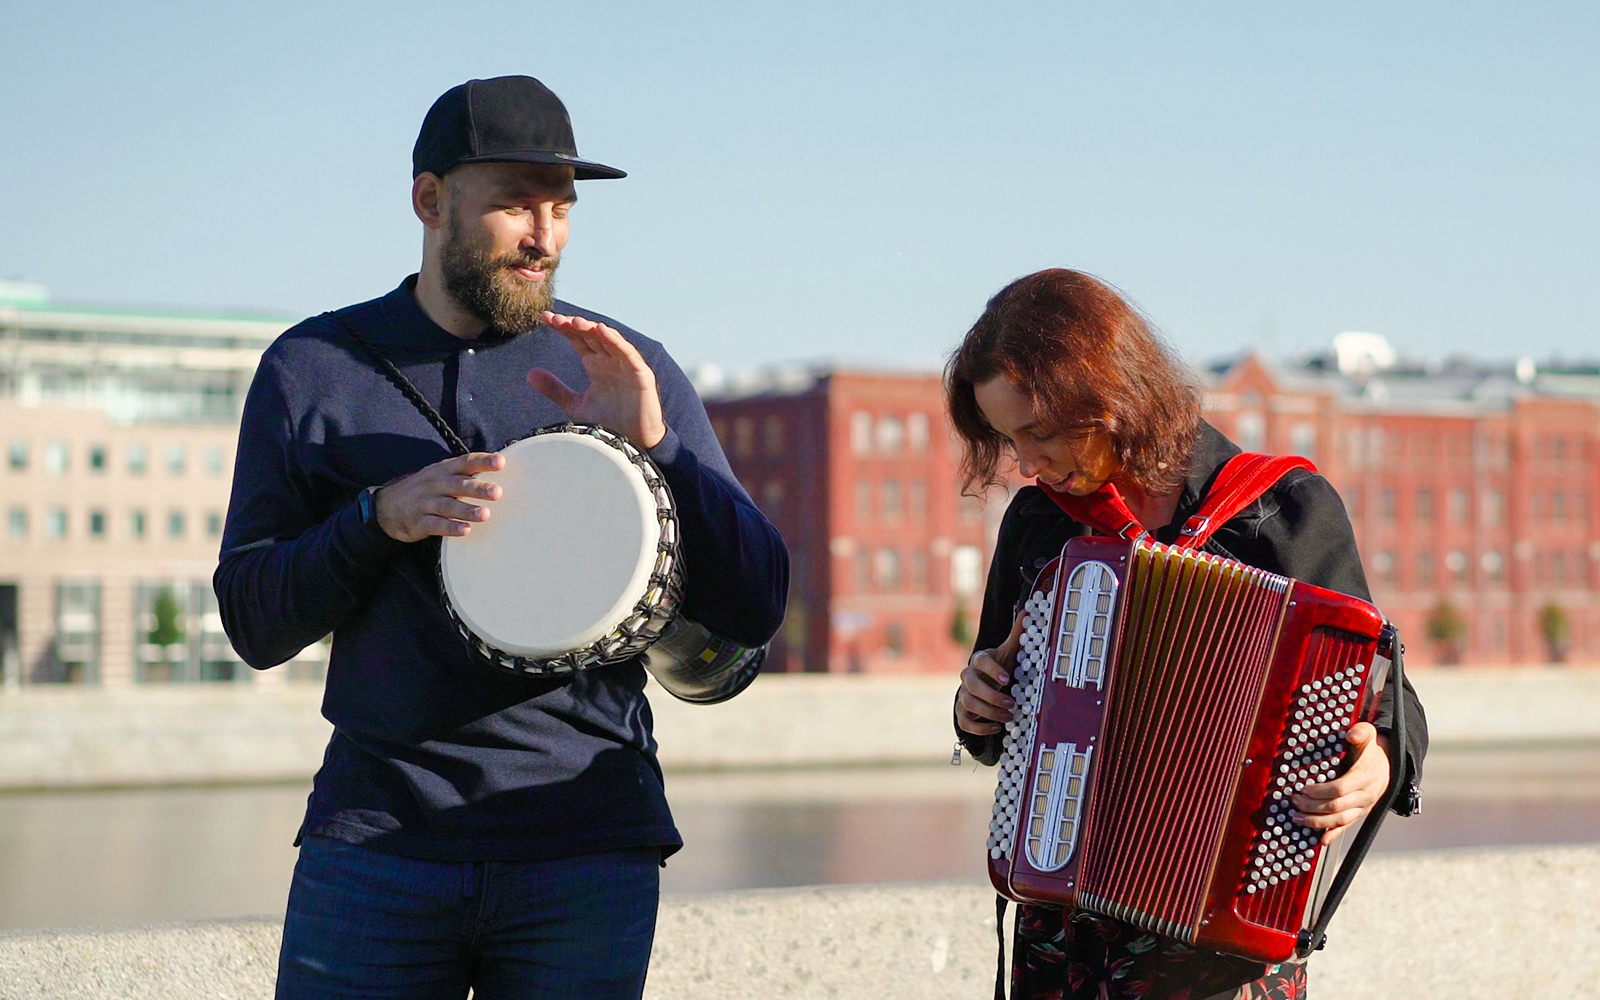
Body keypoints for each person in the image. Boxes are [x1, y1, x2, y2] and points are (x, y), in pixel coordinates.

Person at [213, 75, 788, 999]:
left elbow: (759, 601)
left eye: (561, 208)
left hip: (586, 851)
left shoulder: (618, 363)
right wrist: (377, 520)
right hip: (377, 849)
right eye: (515, 204)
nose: (545, 235)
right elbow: (251, 619)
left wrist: (658, 445)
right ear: (430, 200)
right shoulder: (313, 369)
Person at [946, 268, 1426, 1000]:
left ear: (1108, 394)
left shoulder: (1283, 511)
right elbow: (994, 722)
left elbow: (1393, 703)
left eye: (1040, 434)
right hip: (1062, 934)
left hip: (1221, 949)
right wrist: (976, 706)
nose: (1027, 464)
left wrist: (1380, 763)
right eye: (1010, 439)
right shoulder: (1039, 524)